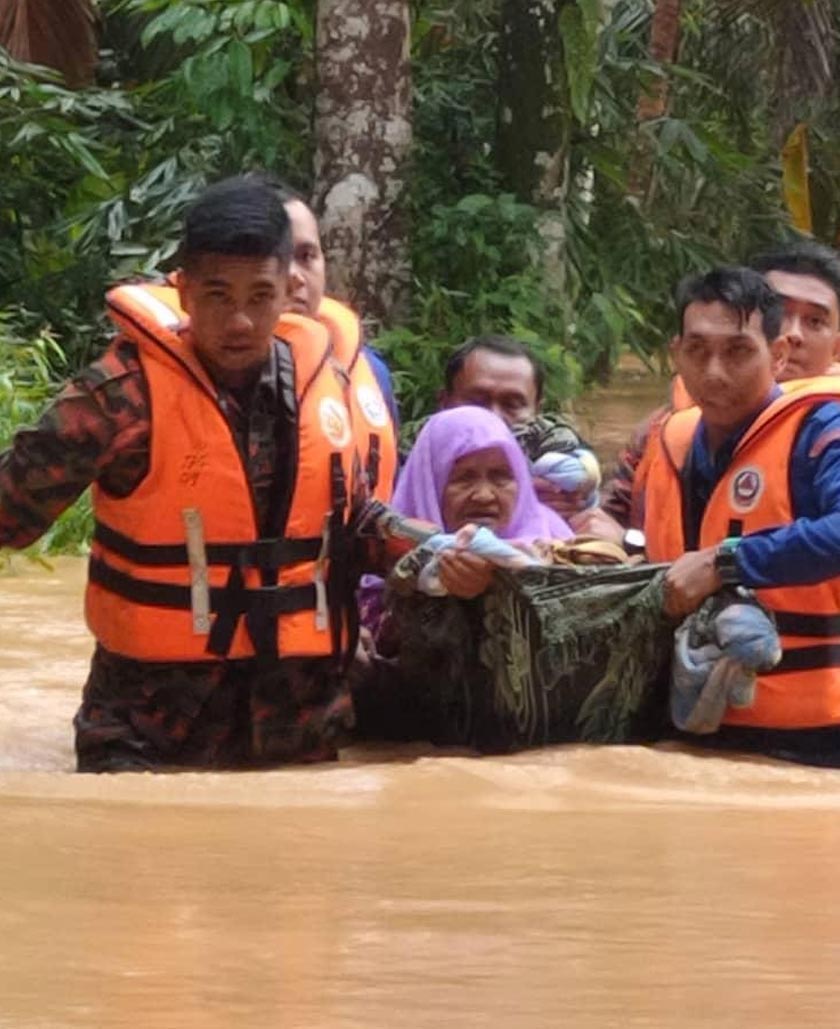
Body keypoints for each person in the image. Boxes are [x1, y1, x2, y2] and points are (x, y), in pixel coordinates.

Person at [0, 175, 412, 772]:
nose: (240, 321)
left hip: (296, 734)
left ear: (288, 289)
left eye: (260, 296)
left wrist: (435, 551)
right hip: (147, 739)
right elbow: (9, 516)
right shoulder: (120, 398)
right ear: (185, 290)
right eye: (218, 296)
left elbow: (351, 525)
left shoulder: (329, 383)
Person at [640, 266, 840, 765]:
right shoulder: (667, 440)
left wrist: (725, 562)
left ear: (778, 354)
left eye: (737, 351)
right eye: (697, 350)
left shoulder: (822, 427)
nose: (713, 372)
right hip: (686, 728)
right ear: (676, 354)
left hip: (816, 737)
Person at [603, 240, 840, 528]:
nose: (793, 333)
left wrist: (731, 555)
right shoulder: (663, 430)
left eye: (814, 321)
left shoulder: (827, 434)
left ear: (836, 347)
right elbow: (612, 516)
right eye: (779, 312)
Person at [278, 184, 400, 485]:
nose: (295, 276)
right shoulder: (198, 366)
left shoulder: (369, 372)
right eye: (276, 258)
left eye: (306, 256)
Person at [440, 335, 605, 523]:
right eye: (477, 402)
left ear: (537, 410)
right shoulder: (418, 447)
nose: (494, 417)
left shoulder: (549, 439)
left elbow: (583, 473)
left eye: (512, 404)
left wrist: (574, 494)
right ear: (444, 402)